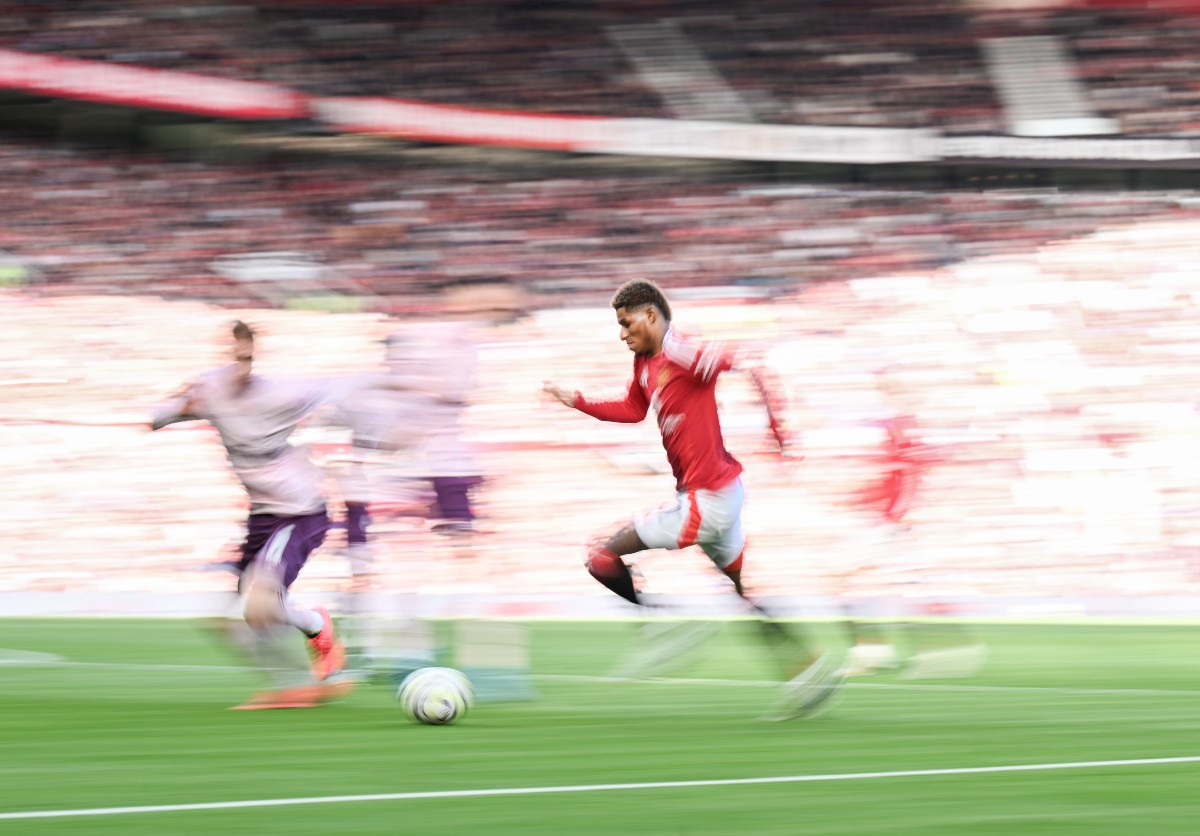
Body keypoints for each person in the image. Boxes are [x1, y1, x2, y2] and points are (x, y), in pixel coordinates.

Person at [543, 280, 842, 720]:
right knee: (743, 594)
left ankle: (665, 621)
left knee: (600, 556)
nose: (622, 334)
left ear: (650, 316)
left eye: (626, 324)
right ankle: (809, 668)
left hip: (707, 501)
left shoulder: (684, 354)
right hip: (717, 496)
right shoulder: (645, 364)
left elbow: (752, 364)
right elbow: (632, 408)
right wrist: (578, 401)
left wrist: (779, 431)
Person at [151, 320, 351, 709]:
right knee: (225, 621)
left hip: (301, 512)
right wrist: (174, 409)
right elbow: (156, 416)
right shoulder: (211, 388)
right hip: (262, 518)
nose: (242, 362)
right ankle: (309, 640)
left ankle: (300, 684)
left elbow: (338, 390)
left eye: (248, 355)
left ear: (254, 356)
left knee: (259, 606)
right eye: (237, 353)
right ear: (229, 354)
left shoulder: (280, 394)